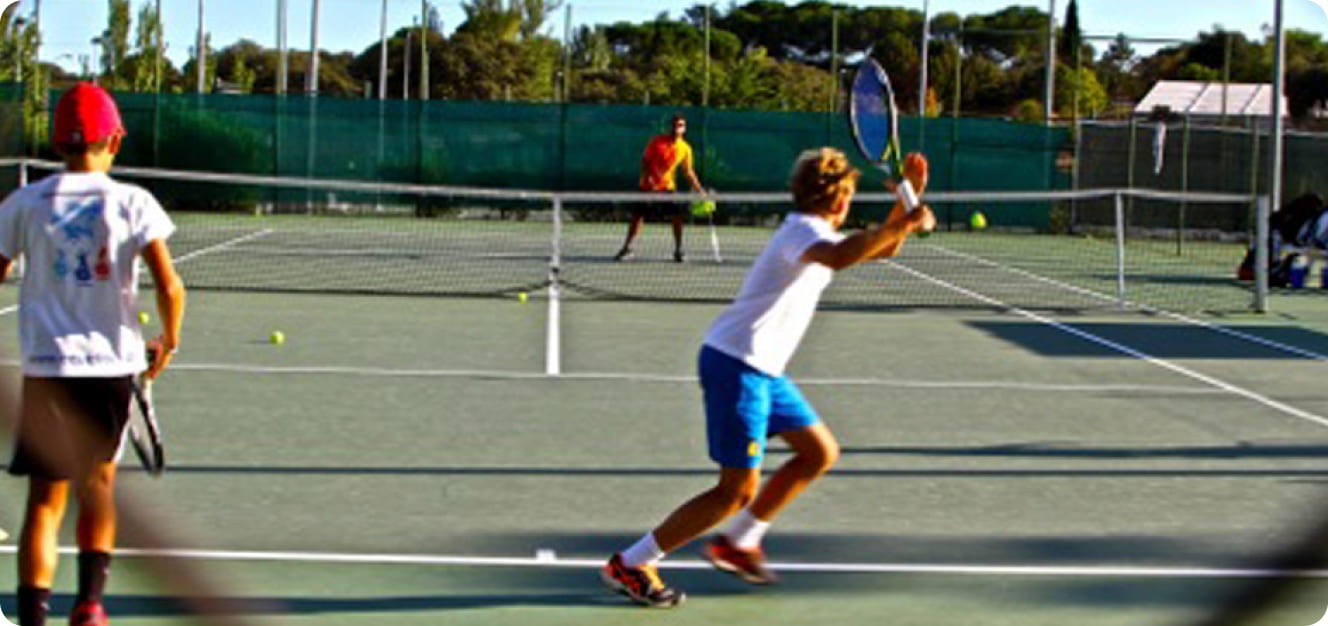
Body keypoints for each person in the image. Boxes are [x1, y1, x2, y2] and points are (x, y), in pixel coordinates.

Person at [601, 147, 936, 607]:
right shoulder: (801, 232)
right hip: (737, 364)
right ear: (838, 199)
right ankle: (633, 562)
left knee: (819, 452)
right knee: (735, 491)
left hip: (764, 370)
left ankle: (739, 543)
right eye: (851, 195)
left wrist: (908, 201)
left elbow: (884, 247)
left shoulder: (815, 230)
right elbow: (840, 257)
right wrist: (904, 219)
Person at [1, 82, 185, 626]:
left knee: (45, 501)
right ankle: (90, 604)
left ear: (56, 142)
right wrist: (168, 342)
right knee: (99, 486)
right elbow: (170, 287)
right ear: (115, 141)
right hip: (111, 371)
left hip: (46, 370)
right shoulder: (133, 202)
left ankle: (32, 614)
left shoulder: (23, 203)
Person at [614, 114, 706, 263]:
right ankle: (627, 248)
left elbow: (688, 171)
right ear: (671, 127)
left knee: (677, 216)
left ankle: (678, 250)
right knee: (638, 217)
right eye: (675, 124)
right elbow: (645, 161)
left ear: (684, 129)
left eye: (681, 125)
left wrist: (699, 189)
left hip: (667, 188)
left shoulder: (685, 148)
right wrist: (648, 178)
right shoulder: (657, 141)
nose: (677, 127)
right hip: (647, 186)